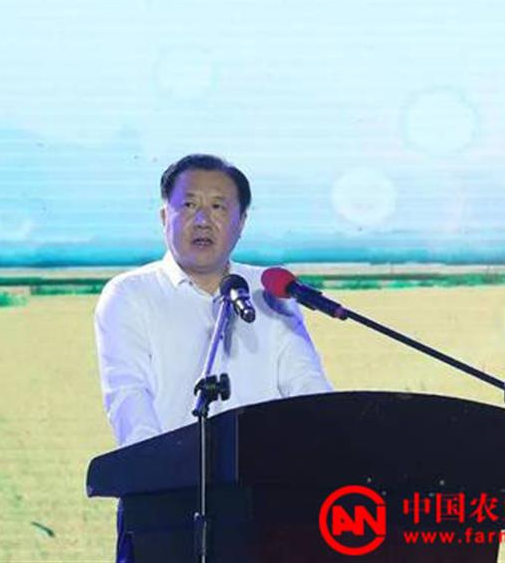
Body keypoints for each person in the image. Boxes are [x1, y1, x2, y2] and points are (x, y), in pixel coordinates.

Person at [93, 153, 332, 562]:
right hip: (164, 507)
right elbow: (129, 396)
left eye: (219, 207)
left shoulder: (269, 290)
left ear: (241, 222)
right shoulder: (130, 294)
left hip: (267, 507)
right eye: (189, 205)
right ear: (164, 216)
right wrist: (159, 476)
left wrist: (332, 444)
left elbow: (307, 389)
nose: (203, 220)